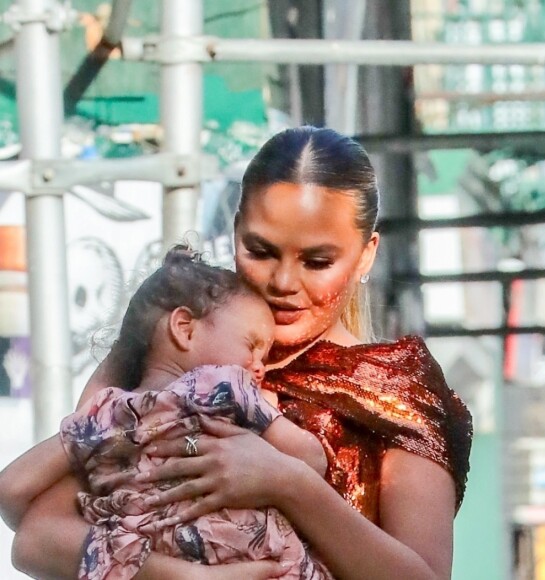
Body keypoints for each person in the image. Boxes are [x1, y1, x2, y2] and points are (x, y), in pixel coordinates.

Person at [0, 126, 472, 580]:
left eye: (317, 261)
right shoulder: (168, 346)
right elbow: (37, 540)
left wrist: (287, 483)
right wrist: (175, 575)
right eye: (261, 250)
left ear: (366, 254)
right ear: (234, 232)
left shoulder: (396, 389)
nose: (284, 283)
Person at [2, 247, 330, 579]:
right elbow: (311, 457)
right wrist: (269, 431)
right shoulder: (225, 385)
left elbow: (12, 490)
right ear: (185, 328)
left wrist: (108, 530)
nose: (260, 367)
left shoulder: (103, 413)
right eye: (252, 346)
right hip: (261, 561)